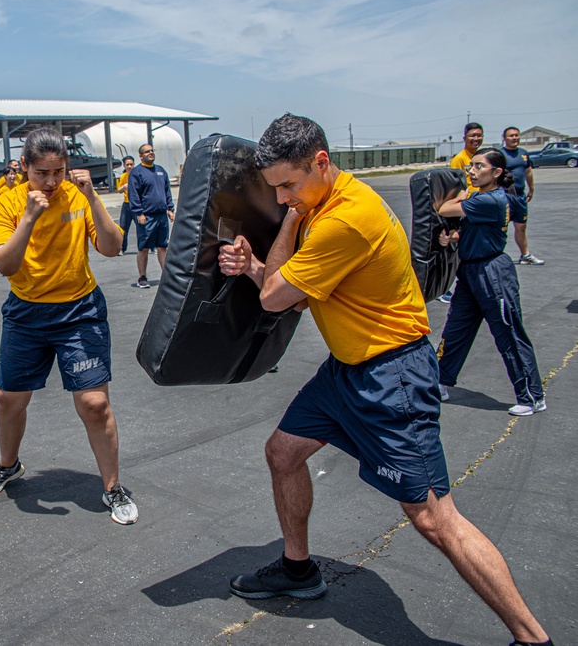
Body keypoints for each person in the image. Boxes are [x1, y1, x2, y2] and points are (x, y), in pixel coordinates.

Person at [218, 114, 551, 646]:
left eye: (289, 184)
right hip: (346, 371)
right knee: (283, 452)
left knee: (434, 519)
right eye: (275, 187)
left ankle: (533, 638)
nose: (282, 197)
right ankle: (299, 570)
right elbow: (293, 289)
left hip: (392, 377)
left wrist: (277, 245)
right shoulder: (322, 202)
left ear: (321, 162)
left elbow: (275, 298)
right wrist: (256, 264)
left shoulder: (344, 219)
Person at [0, 127, 138, 525]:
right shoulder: (8, 204)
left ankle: (113, 486)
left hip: (78, 312)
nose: (50, 182)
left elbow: (113, 247)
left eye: (59, 172)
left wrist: (93, 197)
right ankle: (8, 463)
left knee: (94, 403)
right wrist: (30, 217)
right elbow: (5, 265)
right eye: (42, 174)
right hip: (26, 312)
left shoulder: (77, 198)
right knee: (9, 398)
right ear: (25, 168)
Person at [435, 148, 546, 416]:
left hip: (492, 273)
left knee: (508, 333)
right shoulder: (483, 199)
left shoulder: (490, 200)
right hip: (471, 272)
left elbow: (443, 208)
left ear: (496, 172)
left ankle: (531, 396)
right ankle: (440, 382)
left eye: (479, 167)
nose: (472, 171)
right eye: (471, 166)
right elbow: (472, 230)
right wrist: (453, 238)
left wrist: (461, 196)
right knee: (456, 330)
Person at [439, 123, 486, 303]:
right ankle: (445, 288)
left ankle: (466, 285)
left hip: (476, 209)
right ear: (464, 137)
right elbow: (452, 186)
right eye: (472, 135)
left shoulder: (483, 157)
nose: (476, 139)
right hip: (464, 208)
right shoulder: (460, 159)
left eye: (479, 135)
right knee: (454, 246)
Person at [128, 143, 175, 289]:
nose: (151, 153)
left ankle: (166, 277)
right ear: (141, 156)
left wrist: (170, 208)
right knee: (144, 248)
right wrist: (139, 213)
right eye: (147, 151)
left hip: (161, 215)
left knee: (162, 247)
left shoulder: (161, 171)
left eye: (152, 150)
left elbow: (167, 191)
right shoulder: (137, 173)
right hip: (146, 216)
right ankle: (142, 278)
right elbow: (134, 194)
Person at [500, 127, 544, 265]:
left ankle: (525, 255)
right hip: (505, 196)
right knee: (501, 227)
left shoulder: (523, 153)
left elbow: (528, 172)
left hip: (520, 196)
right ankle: (497, 255)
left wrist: (531, 188)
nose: (514, 138)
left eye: (516, 135)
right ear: (504, 138)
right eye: (511, 136)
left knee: (521, 227)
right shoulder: (500, 155)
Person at [116, 156, 135, 255]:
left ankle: (150, 246)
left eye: (131, 164)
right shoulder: (123, 176)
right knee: (123, 226)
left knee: (143, 226)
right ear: (124, 165)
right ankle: (122, 248)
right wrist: (124, 187)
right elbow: (119, 190)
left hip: (136, 204)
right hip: (127, 204)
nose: (129, 166)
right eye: (127, 165)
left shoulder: (137, 175)